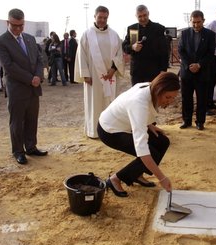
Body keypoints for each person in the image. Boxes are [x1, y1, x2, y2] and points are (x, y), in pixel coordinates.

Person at [97, 72, 179, 197]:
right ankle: (114, 179)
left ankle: (136, 174)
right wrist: (162, 178)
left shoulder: (150, 87)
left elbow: (136, 113)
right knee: (151, 153)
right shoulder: (138, 103)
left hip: (124, 124)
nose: (170, 102)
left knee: (162, 142)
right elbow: (142, 150)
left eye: (173, 97)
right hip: (109, 131)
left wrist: (149, 124)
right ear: (158, 90)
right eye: (168, 97)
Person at [0, 8, 47, 165]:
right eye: (14, 25)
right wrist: (31, 79)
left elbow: (39, 59)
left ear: (24, 23)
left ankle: (31, 147)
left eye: (21, 25)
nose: (17, 29)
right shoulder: (1, 41)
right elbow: (9, 66)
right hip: (17, 89)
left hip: (33, 87)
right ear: (7, 22)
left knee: (32, 119)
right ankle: (18, 151)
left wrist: (38, 76)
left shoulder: (30, 39)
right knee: (17, 122)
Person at [74, 5, 124, 139]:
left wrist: (113, 70)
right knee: (94, 104)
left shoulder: (114, 35)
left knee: (110, 103)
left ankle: (109, 130)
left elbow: (119, 55)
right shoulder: (87, 34)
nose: (102, 20)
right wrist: (85, 74)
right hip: (93, 77)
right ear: (95, 17)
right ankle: (94, 131)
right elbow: (81, 55)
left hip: (110, 76)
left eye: (105, 18)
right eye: (100, 17)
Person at [178, 10, 216, 131]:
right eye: (193, 22)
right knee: (186, 98)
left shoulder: (210, 35)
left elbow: (211, 54)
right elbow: (181, 51)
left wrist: (199, 65)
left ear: (203, 21)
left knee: (202, 98)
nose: (196, 25)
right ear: (190, 21)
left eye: (198, 22)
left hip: (202, 72)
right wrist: (190, 65)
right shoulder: (184, 34)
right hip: (187, 71)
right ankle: (187, 120)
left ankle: (200, 121)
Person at [122, 5, 168, 85]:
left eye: (144, 15)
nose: (143, 18)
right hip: (137, 72)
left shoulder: (159, 28)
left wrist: (163, 69)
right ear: (136, 16)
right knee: (137, 97)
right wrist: (132, 47)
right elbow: (124, 46)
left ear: (148, 13)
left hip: (154, 72)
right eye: (140, 16)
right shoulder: (132, 29)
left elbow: (164, 51)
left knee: (153, 96)